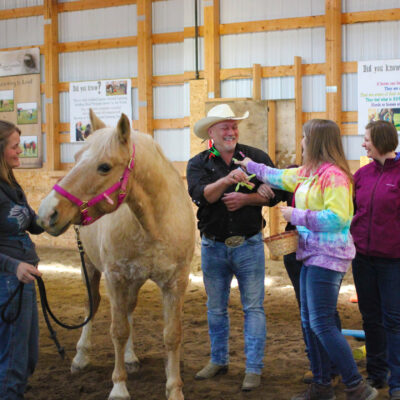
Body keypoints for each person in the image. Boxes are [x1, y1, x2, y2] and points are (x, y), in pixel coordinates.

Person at [235, 119, 377, 400]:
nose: (300, 141)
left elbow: (339, 218)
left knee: (321, 323)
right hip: (312, 254)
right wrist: (250, 165)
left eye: (303, 137)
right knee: (312, 321)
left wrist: (297, 216)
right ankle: (323, 385)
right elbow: (277, 176)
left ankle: (356, 385)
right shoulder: (309, 173)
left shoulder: (334, 176)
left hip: (328, 256)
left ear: (314, 142)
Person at [186, 103, 284, 391]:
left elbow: (277, 191)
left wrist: (251, 199)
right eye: (225, 127)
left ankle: (253, 369)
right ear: (211, 132)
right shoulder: (198, 163)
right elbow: (202, 196)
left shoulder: (256, 158)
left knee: (253, 307)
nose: (231, 131)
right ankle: (218, 360)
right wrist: (228, 180)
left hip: (248, 243)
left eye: (233, 126)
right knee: (216, 308)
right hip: (213, 245)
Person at [350, 120, 400, 400]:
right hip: (363, 259)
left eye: (367, 139)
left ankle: (397, 383)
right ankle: (377, 375)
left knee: (393, 320)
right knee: (370, 319)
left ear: (380, 140)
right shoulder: (362, 175)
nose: (363, 143)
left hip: (393, 260)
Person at [0, 120, 44, 399]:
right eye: (15, 146)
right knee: (13, 361)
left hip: (22, 280)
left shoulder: (11, 186)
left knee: (27, 355)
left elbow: (34, 223)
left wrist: (67, 211)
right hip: (9, 281)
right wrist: (14, 266)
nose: (20, 151)